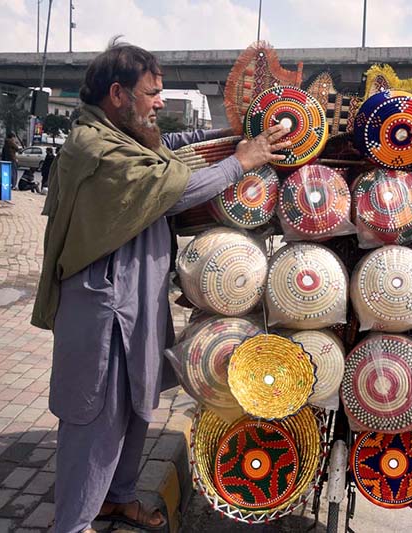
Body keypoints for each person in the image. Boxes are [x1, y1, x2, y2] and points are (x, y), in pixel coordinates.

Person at [31, 40, 289, 533]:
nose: (159, 103)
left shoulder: (126, 135)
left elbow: (174, 145)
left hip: (138, 302)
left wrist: (235, 133)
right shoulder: (95, 148)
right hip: (104, 308)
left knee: (136, 405)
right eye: (151, 93)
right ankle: (73, 522)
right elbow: (173, 190)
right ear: (117, 94)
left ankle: (116, 498)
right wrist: (241, 162)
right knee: (95, 417)